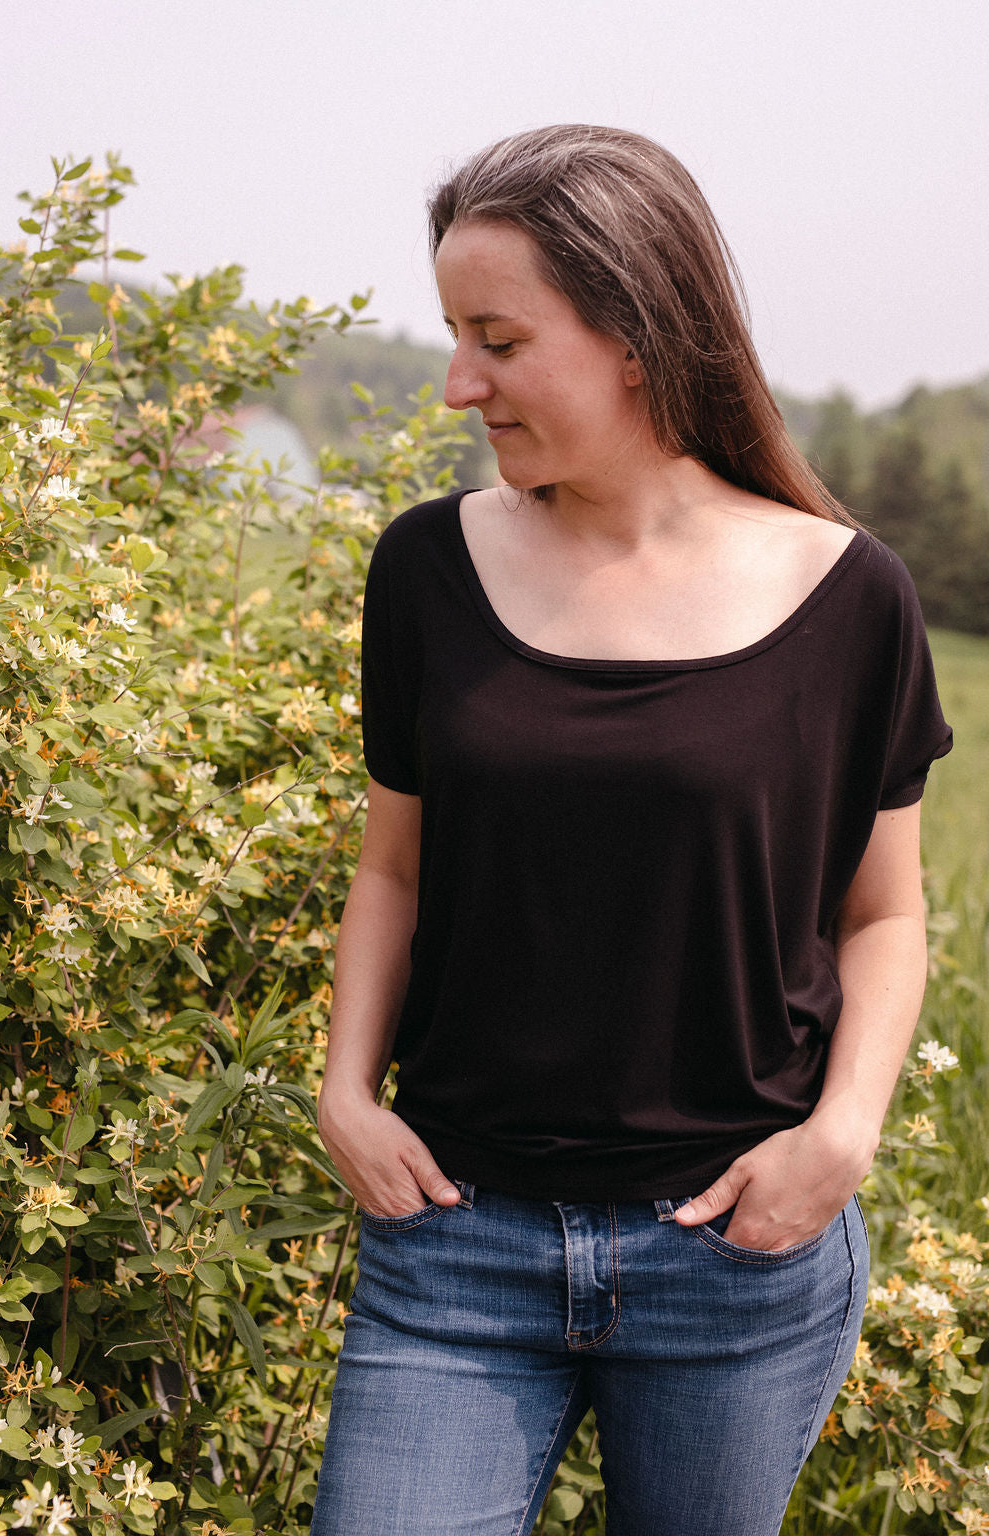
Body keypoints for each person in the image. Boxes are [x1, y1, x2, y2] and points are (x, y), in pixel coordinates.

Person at [311, 124, 952, 1535]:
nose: (460, 383)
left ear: (638, 337)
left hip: (737, 1254)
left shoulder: (850, 596)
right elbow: (392, 868)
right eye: (453, 335)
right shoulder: (427, 565)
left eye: (498, 339)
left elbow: (883, 913)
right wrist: (346, 1094)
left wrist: (842, 1133)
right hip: (453, 1244)